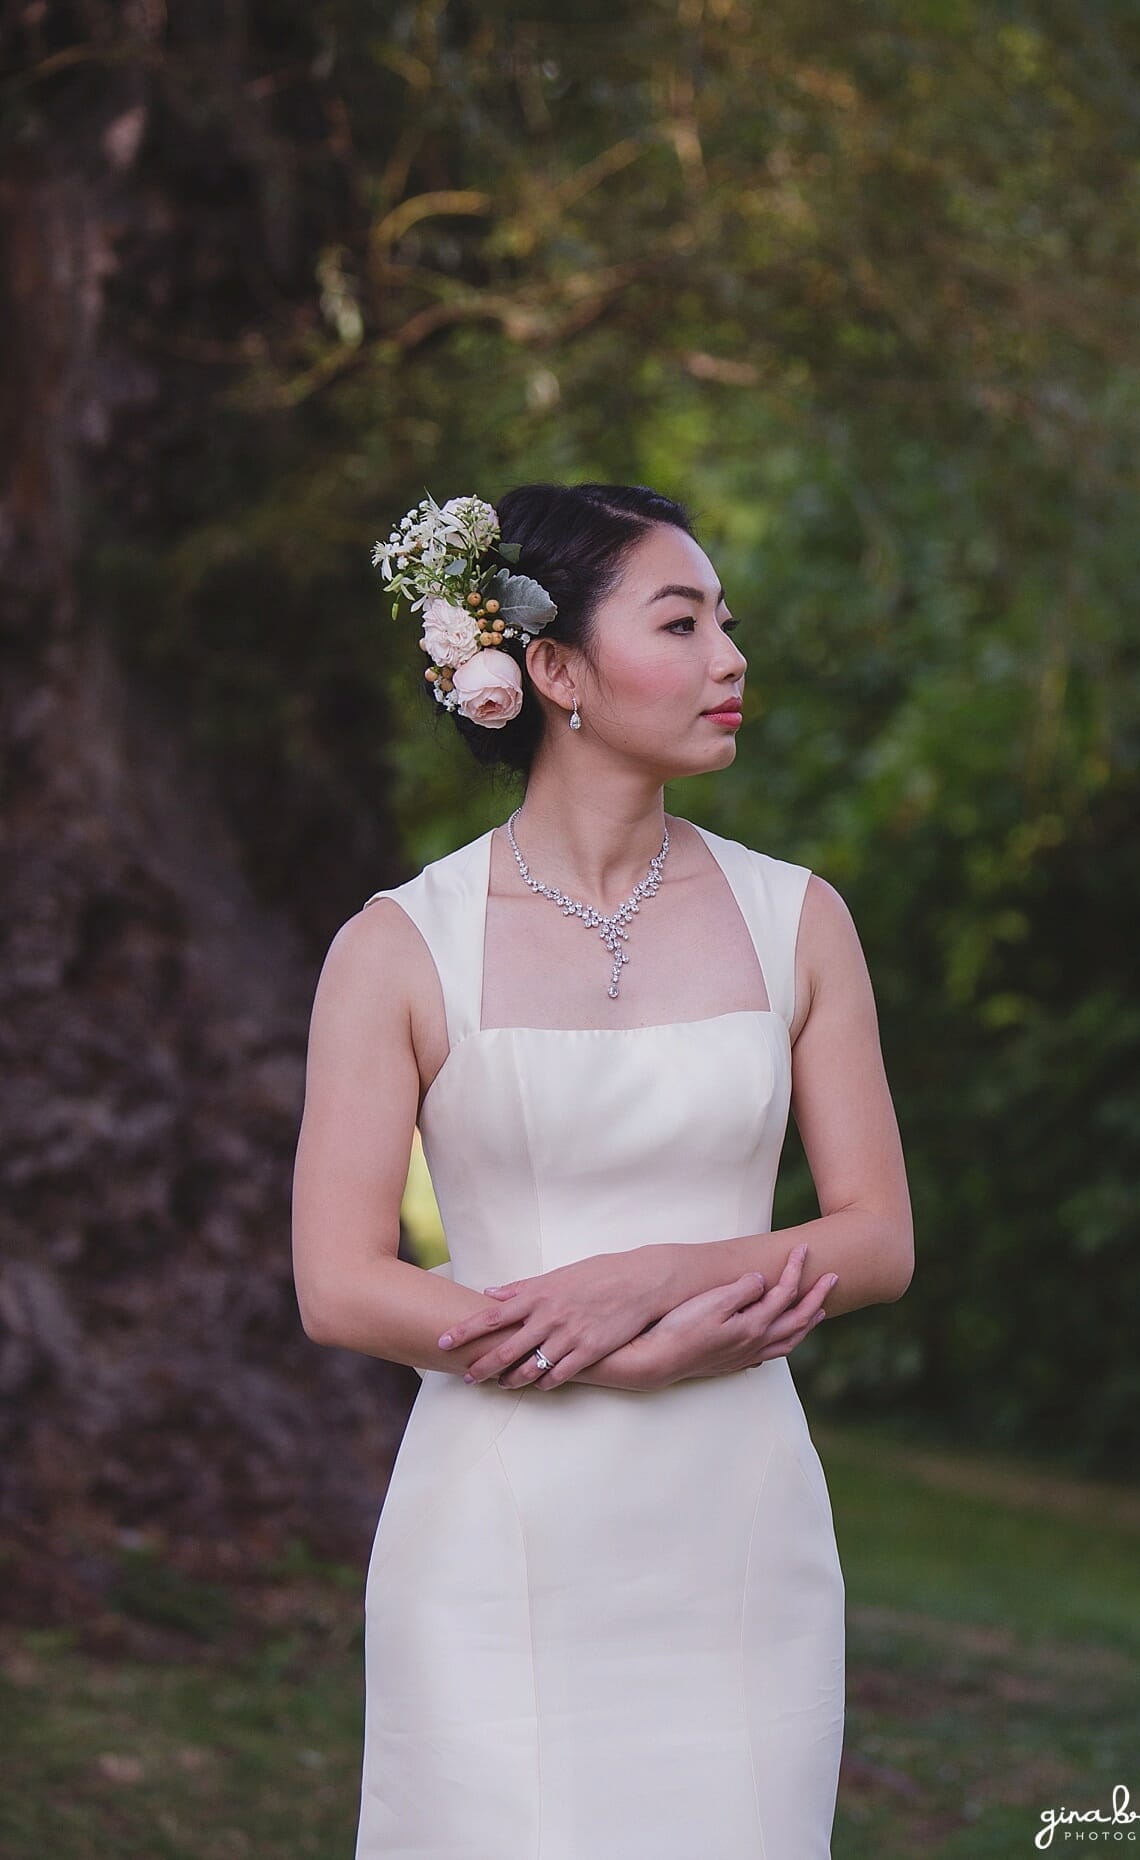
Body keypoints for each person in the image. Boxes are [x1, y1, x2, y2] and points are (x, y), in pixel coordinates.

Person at [291, 481, 915, 1859]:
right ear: (554, 668)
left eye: (726, 624)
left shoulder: (798, 919)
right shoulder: (400, 946)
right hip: (497, 1526)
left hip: (733, 1517)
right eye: (681, 622)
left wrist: (664, 1282)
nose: (729, 660)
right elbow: (339, 1287)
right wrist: (582, 1355)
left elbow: (876, 1239)